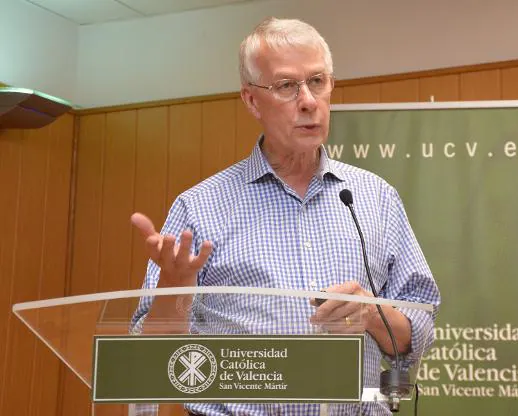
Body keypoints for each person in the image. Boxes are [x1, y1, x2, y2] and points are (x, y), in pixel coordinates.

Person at [131, 17, 440, 415]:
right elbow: (144, 354)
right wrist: (174, 294)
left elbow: (421, 332)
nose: (308, 100)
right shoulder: (199, 206)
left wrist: (371, 314)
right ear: (251, 100)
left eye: (317, 81)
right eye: (286, 86)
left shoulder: (375, 198)